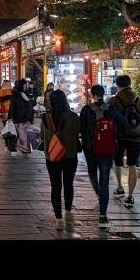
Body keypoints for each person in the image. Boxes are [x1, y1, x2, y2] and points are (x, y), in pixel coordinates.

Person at [80, 84, 128, 228]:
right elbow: (123, 121)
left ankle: (99, 194)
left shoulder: (86, 110)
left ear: (92, 95)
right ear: (104, 94)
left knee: (92, 173)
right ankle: (103, 216)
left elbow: (80, 129)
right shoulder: (110, 109)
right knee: (105, 180)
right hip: (107, 150)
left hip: (91, 150)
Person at [40, 88, 82, 230]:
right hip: (70, 155)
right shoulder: (74, 117)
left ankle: (58, 219)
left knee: (55, 186)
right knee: (68, 184)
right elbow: (78, 132)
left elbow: (41, 136)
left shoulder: (46, 118)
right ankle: (68, 212)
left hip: (52, 157)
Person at [108, 74, 140, 207]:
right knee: (132, 165)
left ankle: (120, 187)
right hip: (136, 137)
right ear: (130, 84)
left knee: (117, 162)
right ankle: (130, 196)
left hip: (119, 137)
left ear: (118, 85)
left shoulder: (113, 100)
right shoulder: (139, 100)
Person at [7, 78, 34, 155]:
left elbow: (30, 105)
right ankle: (21, 147)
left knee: (24, 134)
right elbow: (12, 107)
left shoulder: (27, 94)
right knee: (21, 134)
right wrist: (10, 118)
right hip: (19, 117)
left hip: (27, 118)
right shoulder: (16, 95)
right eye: (26, 85)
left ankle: (23, 147)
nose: (27, 86)